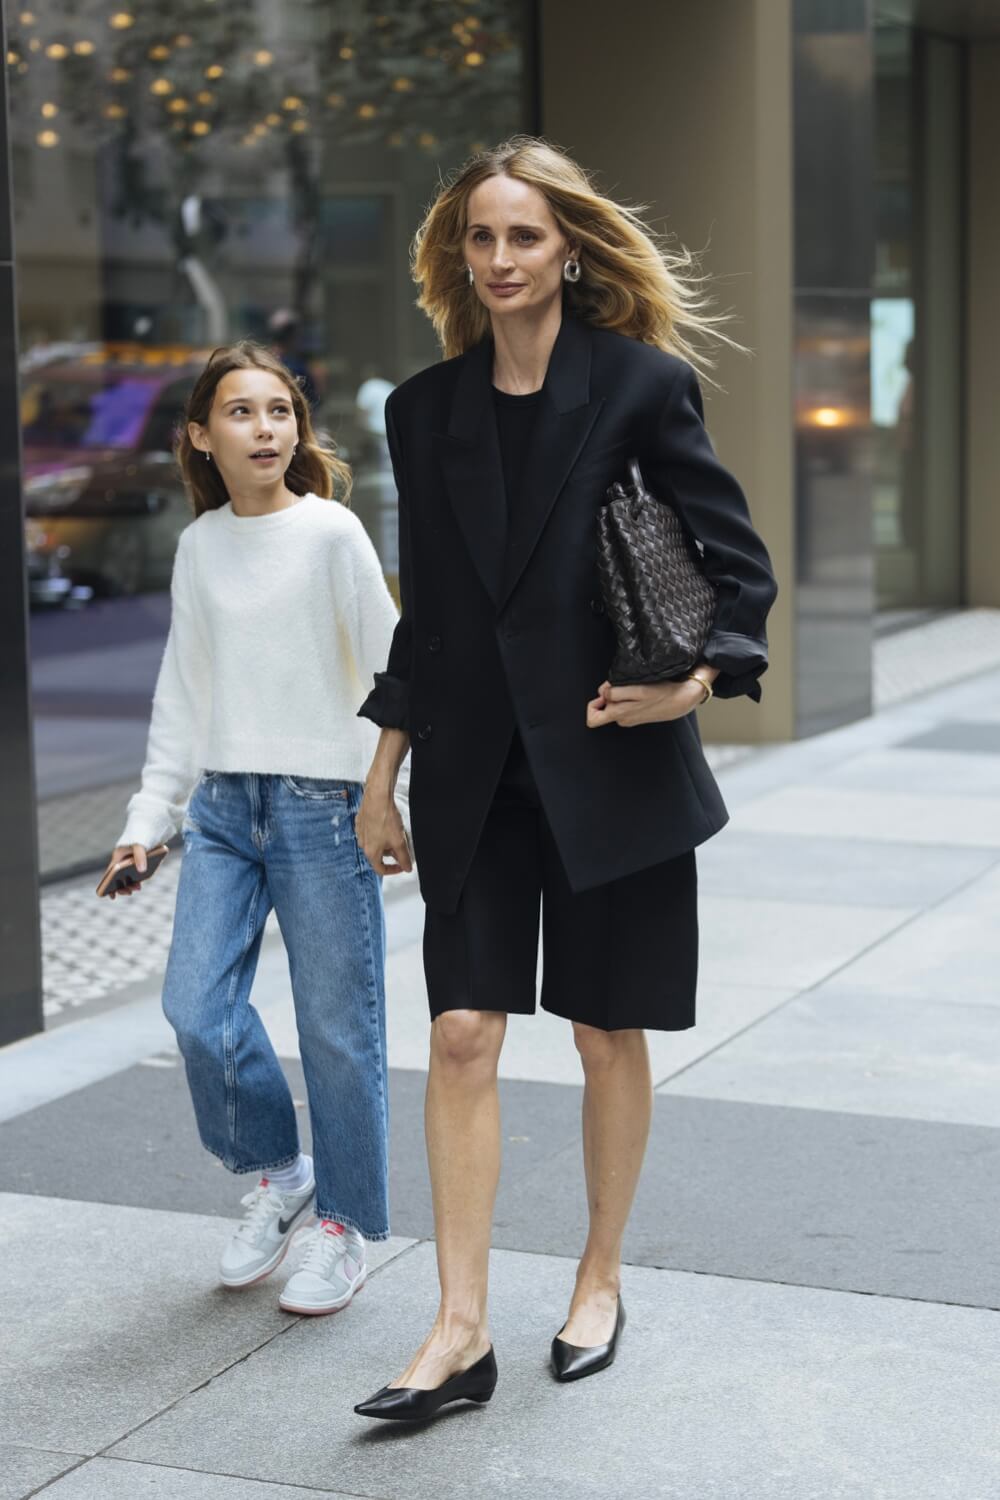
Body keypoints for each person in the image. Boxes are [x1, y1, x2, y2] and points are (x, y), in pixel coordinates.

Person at [352, 136, 778, 1421]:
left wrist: (694, 680)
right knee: (463, 1032)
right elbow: (424, 610)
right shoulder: (421, 411)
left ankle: (598, 1279)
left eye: (521, 237)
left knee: (605, 1030)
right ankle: (458, 1326)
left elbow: (736, 566)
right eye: (478, 238)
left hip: (612, 761)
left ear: (569, 249)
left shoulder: (644, 385)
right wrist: (381, 773)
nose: (497, 260)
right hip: (476, 772)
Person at [102, 339, 399, 1316]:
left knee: (335, 1031)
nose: (265, 428)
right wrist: (148, 821)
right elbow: (182, 698)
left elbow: (397, 675)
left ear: (297, 430)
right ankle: (279, 1168)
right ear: (200, 435)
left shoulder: (331, 535)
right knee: (195, 1008)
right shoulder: (200, 547)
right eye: (241, 412)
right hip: (223, 812)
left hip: (324, 808)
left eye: (280, 411)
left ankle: (344, 1225)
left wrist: (387, 794)